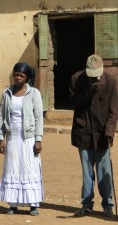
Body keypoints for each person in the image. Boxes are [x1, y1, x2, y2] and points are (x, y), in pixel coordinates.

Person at [70, 54, 118, 217]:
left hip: (102, 133)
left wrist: (110, 133)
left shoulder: (111, 81)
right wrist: (87, 93)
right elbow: (74, 103)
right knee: (86, 170)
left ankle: (108, 204)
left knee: (105, 169)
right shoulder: (77, 79)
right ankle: (86, 203)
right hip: (83, 132)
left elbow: (114, 111)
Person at [0, 62, 44, 216]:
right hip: (12, 137)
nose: (17, 77)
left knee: (30, 168)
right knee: (13, 168)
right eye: (15, 74)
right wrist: (1, 138)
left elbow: (38, 118)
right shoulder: (7, 93)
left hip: (28, 138)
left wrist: (38, 139)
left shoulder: (34, 93)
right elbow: (2, 116)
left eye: (21, 76)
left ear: (27, 78)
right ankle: (13, 204)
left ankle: (33, 204)